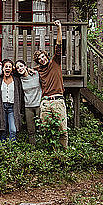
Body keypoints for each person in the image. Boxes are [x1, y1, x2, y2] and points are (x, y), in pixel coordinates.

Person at [33, 19, 68, 149]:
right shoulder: (38, 70)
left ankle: (64, 152)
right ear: (38, 61)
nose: (42, 59)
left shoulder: (55, 62)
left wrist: (59, 27)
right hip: (45, 102)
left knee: (62, 129)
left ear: (46, 56)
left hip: (58, 100)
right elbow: (25, 70)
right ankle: (50, 153)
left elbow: (59, 44)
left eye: (43, 56)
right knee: (46, 129)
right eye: (39, 59)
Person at [0, 59, 24, 142]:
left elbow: (20, 94)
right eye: (6, 66)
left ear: (12, 69)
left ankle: (11, 149)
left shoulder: (16, 80)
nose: (8, 68)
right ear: (2, 68)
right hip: (1, 107)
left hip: (12, 108)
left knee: (13, 130)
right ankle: (3, 149)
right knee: (2, 130)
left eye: (9, 67)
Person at [15, 59, 42, 145]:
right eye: (17, 68)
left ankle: (42, 148)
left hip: (38, 105)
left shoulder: (36, 74)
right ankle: (33, 148)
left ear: (25, 66)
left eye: (21, 66)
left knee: (41, 128)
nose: (20, 68)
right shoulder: (20, 79)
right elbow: (7, 70)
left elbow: (43, 67)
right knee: (31, 130)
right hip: (28, 107)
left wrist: (32, 69)